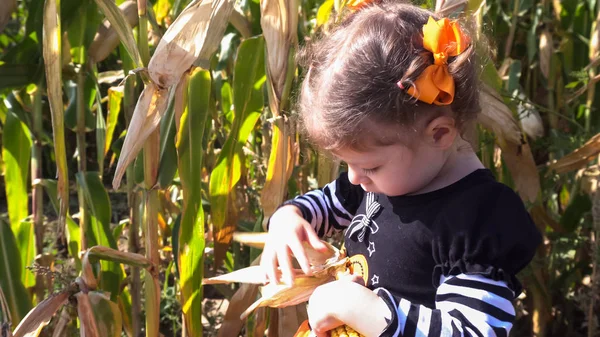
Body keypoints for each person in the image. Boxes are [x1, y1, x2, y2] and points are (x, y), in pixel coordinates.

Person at [260, 1, 543, 336]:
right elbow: (325, 204)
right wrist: (289, 218)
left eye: (370, 165)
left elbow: (474, 331)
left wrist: (358, 308)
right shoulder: (382, 180)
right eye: (348, 164)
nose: (353, 178)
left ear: (439, 133)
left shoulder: (477, 222)